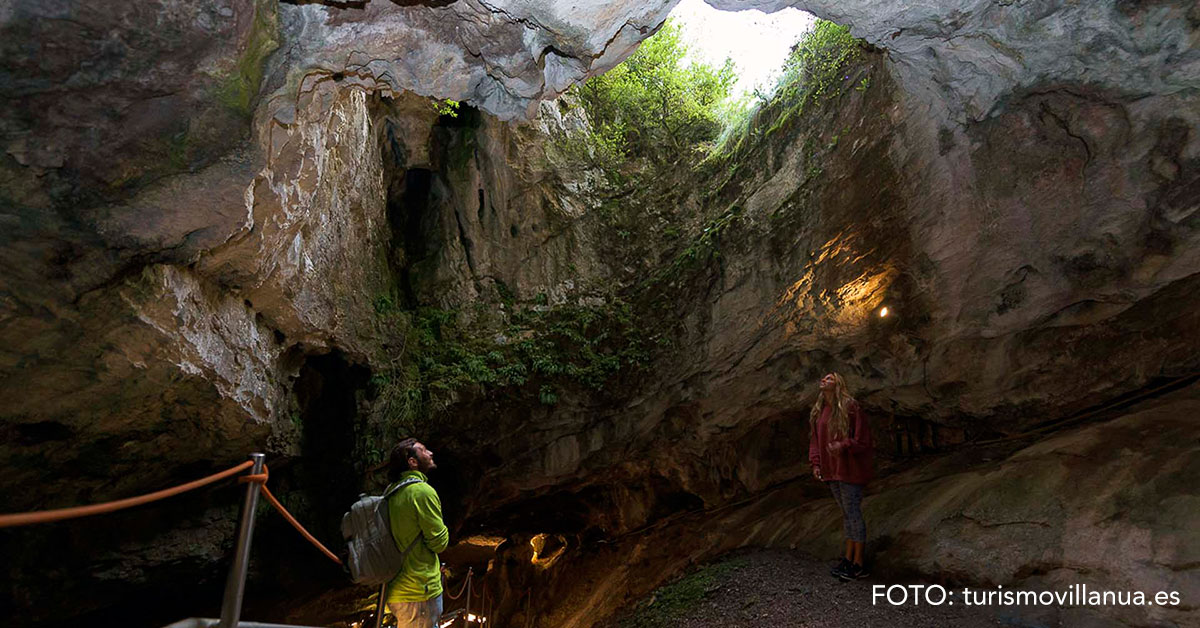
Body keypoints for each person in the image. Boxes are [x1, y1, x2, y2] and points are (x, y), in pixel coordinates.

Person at [807, 372, 873, 580]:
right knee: (846, 514)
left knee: (853, 513)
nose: (824, 380)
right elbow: (815, 440)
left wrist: (842, 445)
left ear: (839, 383)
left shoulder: (850, 406)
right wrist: (816, 463)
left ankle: (859, 563)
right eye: (823, 378)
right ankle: (848, 558)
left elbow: (863, 439)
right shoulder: (820, 410)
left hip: (849, 469)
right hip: (831, 470)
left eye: (829, 378)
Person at [385, 438, 450, 628]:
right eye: (423, 450)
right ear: (412, 462)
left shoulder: (391, 492)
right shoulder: (421, 492)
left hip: (398, 588)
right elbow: (440, 542)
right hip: (419, 589)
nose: (430, 453)